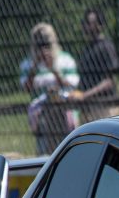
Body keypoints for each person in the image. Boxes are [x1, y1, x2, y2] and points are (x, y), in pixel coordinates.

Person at [19, 22, 80, 154]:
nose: (43, 49)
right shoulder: (28, 63)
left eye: (46, 45)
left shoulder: (65, 59)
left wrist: (53, 68)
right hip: (42, 116)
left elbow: (71, 84)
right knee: (45, 151)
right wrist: (34, 67)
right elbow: (26, 88)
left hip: (63, 111)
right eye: (40, 45)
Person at [76, 8, 119, 123]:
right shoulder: (86, 49)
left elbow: (110, 82)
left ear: (100, 25)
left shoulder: (106, 47)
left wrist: (85, 95)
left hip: (104, 108)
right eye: (84, 22)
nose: (85, 26)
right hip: (88, 108)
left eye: (88, 23)